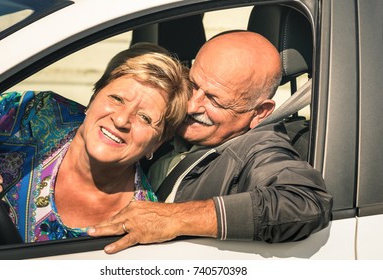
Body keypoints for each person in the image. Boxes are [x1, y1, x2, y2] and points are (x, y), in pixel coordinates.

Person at [87, 31, 333, 254]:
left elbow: (304, 204)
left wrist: (176, 218)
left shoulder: (258, 149)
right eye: (193, 85)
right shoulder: (173, 116)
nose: (192, 105)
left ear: (259, 112)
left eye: (215, 101)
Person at [0, 43, 190, 242]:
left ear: (157, 143)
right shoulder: (39, 113)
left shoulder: (140, 222)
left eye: (145, 118)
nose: (121, 120)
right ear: (92, 99)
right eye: (117, 98)